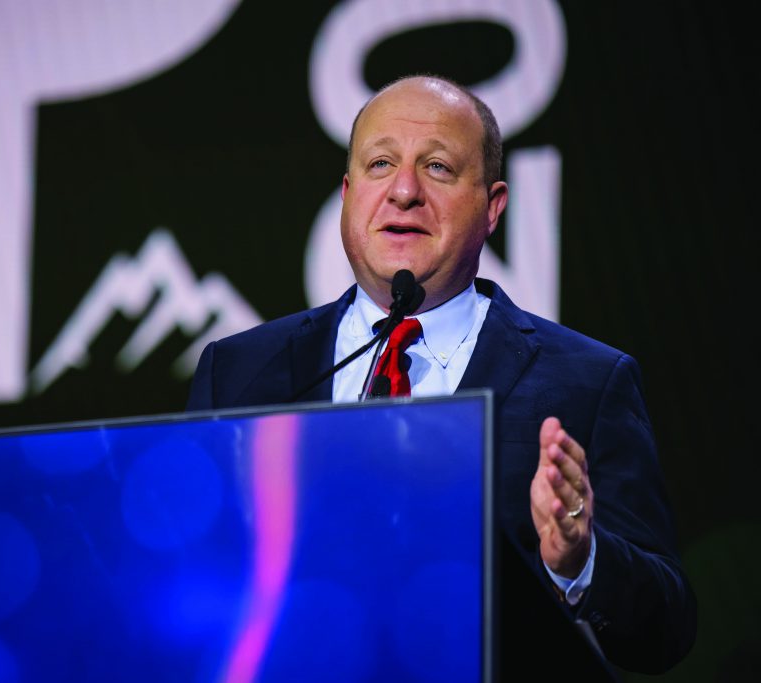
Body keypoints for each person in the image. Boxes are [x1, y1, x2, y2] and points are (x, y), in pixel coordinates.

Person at [186, 74, 696, 674]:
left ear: (492, 207)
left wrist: (579, 561)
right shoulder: (240, 372)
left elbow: (667, 629)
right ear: (347, 195)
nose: (404, 191)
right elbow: (186, 583)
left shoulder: (589, 380)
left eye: (438, 168)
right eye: (380, 164)